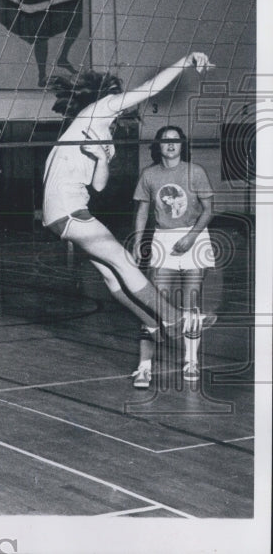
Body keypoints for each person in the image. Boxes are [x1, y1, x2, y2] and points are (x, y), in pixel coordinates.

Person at [42, 54, 216, 381]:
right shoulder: (95, 111)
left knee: (112, 276)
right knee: (123, 260)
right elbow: (148, 90)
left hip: (66, 214)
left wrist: (100, 157)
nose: (124, 107)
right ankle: (175, 318)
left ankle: (151, 321)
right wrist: (186, 60)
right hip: (67, 211)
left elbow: (98, 184)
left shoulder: (102, 137)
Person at [130, 125, 215, 388]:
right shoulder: (149, 174)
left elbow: (209, 209)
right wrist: (137, 240)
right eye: (165, 140)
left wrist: (191, 237)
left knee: (191, 304)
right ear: (158, 146)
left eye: (175, 140)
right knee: (154, 305)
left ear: (182, 144)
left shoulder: (195, 171)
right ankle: (144, 367)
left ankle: (191, 361)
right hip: (163, 239)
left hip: (195, 236)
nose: (171, 144)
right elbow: (143, 212)